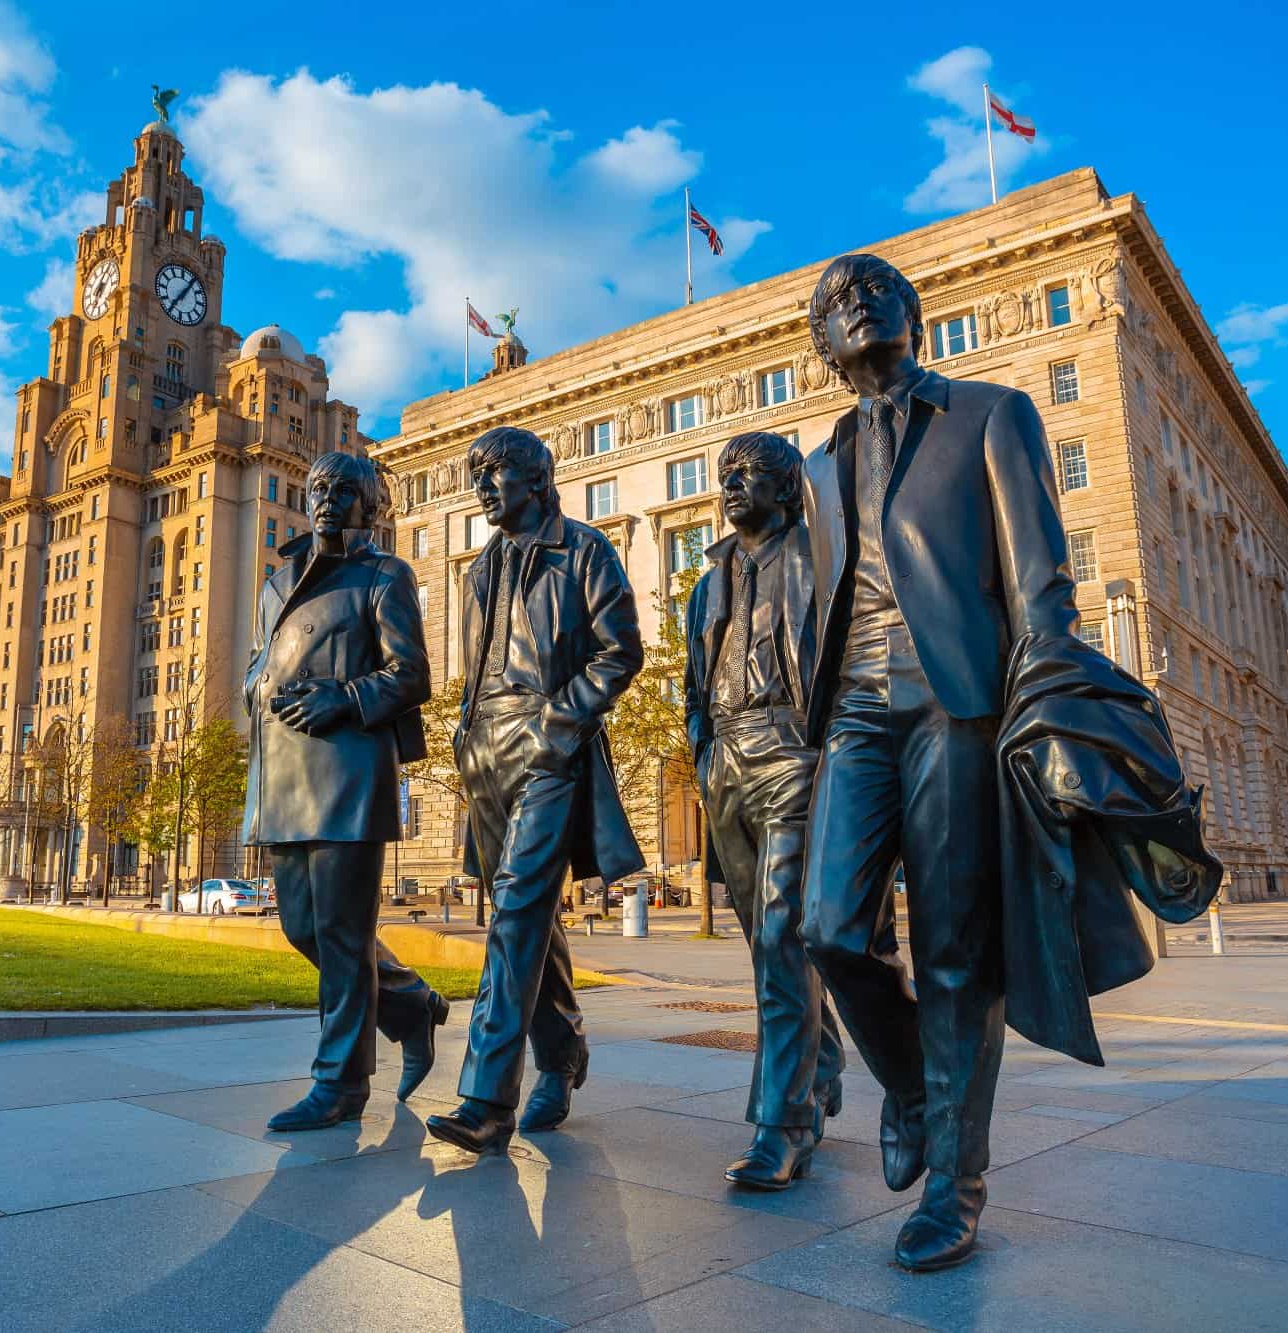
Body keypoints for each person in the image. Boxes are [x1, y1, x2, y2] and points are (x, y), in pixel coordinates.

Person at [796, 252, 1085, 1270]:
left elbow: (1041, 580)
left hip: (955, 701)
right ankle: (916, 1092)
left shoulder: (989, 414)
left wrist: (1044, 702)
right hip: (853, 716)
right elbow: (818, 601)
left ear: (915, 314)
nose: (857, 301)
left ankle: (953, 1187)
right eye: (834, 301)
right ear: (820, 346)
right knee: (827, 926)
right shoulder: (817, 458)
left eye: (876, 289)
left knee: (956, 953)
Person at [425, 426, 644, 1154]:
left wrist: (561, 719)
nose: (483, 489)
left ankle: (486, 1098)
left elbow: (622, 650)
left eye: (496, 475)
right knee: (532, 917)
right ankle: (563, 1050)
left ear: (537, 478)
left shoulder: (584, 548)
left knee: (516, 910)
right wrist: (463, 736)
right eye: (476, 478)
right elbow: (474, 665)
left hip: (549, 745)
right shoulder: (477, 569)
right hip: (485, 750)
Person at [242, 451, 450, 1131]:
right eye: (318, 486)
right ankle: (413, 1004)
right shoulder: (278, 582)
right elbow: (261, 657)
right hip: (283, 774)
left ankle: (341, 1082)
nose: (327, 497)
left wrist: (343, 697)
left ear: (369, 503)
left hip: (347, 773)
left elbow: (411, 674)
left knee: (340, 932)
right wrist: (256, 685)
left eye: (342, 489)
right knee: (305, 926)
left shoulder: (384, 573)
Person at [682, 431, 848, 1190]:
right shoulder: (707, 576)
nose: (731, 484)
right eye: (725, 474)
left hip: (794, 747)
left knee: (782, 931)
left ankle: (780, 1123)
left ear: (786, 486)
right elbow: (693, 677)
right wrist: (703, 750)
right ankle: (823, 1056)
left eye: (748, 471)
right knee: (767, 944)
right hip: (727, 756)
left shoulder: (819, 554)